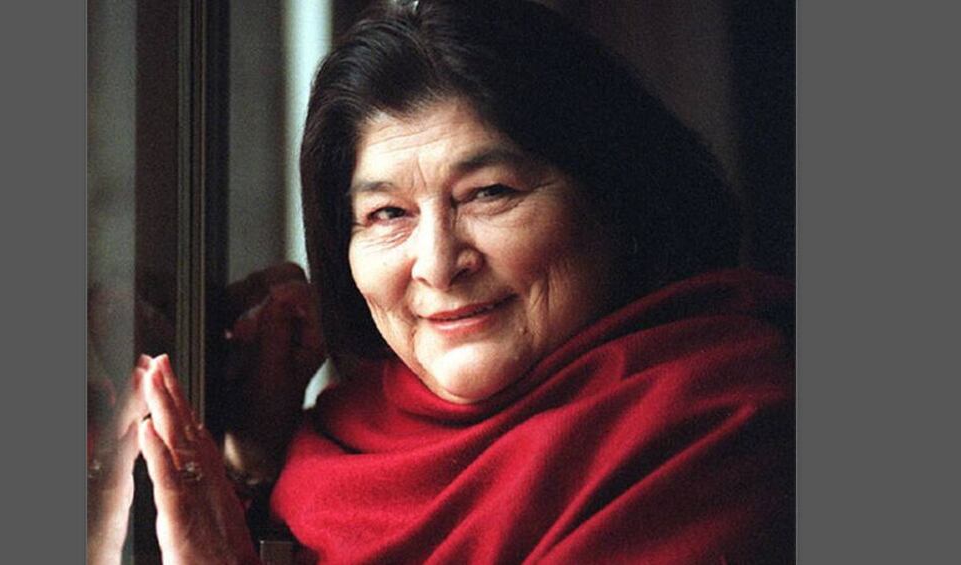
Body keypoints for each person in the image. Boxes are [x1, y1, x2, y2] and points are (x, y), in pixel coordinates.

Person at [92, 0, 794, 563]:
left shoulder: (721, 424)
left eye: (489, 194)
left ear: (616, 198)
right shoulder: (335, 441)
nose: (436, 262)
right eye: (387, 214)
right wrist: (253, 462)